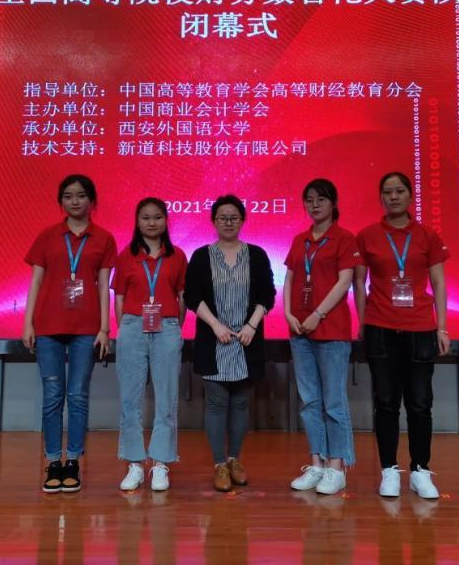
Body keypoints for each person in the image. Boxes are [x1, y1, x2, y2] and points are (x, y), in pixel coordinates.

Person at [354, 172, 451, 500]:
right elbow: (359, 283)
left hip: (421, 329)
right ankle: (389, 471)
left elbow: (438, 282)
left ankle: (421, 471)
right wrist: (363, 323)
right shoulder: (367, 236)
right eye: (387, 192)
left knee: (420, 404)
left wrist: (442, 327)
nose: (393, 197)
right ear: (380, 198)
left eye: (399, 191)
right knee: (385, 403)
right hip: (380, 328)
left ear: (410, 195)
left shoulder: (427, 235)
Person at [21, 174, 116, 493]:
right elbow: (36, 281)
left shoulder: (104, 238)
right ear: (61, 201)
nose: (74, 201)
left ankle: (72, 460)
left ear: (92, 201)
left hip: (86, 328)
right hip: (48, 325)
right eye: (68, 196)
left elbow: (103, 286)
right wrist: (28, 323)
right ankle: (53, 462)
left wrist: (104, 328)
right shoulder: (48, 236)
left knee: (77, 395)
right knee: (52, 396)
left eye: (81, 195)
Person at [184, 194, 276, 492]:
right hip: (214, 341)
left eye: (233, 217)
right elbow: (192, 296)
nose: (228, 222)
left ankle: (235, 459)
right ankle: (219, 464)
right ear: (213, 221)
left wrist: (252, 325)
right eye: (222, 217)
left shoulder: (257, 255)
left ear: (242, 220)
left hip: (247, 341)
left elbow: (267, 294)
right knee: (216, 403)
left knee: (240, 403)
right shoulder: (201, 256)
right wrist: (215, 325)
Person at [283, 178, 361, 495]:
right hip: (299, 330)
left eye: (321, 199)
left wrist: (318, 314)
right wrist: (288, 313)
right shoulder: (300, 240)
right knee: (309, 401)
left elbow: (344, 282)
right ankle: (316, 462)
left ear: (334, 203)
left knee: (333, 401)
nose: (314, 205)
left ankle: (337, 466)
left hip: (331, 329)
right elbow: (289, 278)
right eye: (309, 199)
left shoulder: (344, 238)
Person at [113, 198, 188, 492]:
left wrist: (174, 327)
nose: (152, 222)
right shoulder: (126, 256)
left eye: (157, 217)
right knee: (130, 400)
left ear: (166, 220)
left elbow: (182, 297)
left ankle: (160, 463)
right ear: (137, 221)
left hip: (167, 328)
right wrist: (125, 327)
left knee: (166, 399)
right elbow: (119, 297)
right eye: (145, 217)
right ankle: (134, 463)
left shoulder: (177, 256)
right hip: (133, 327)